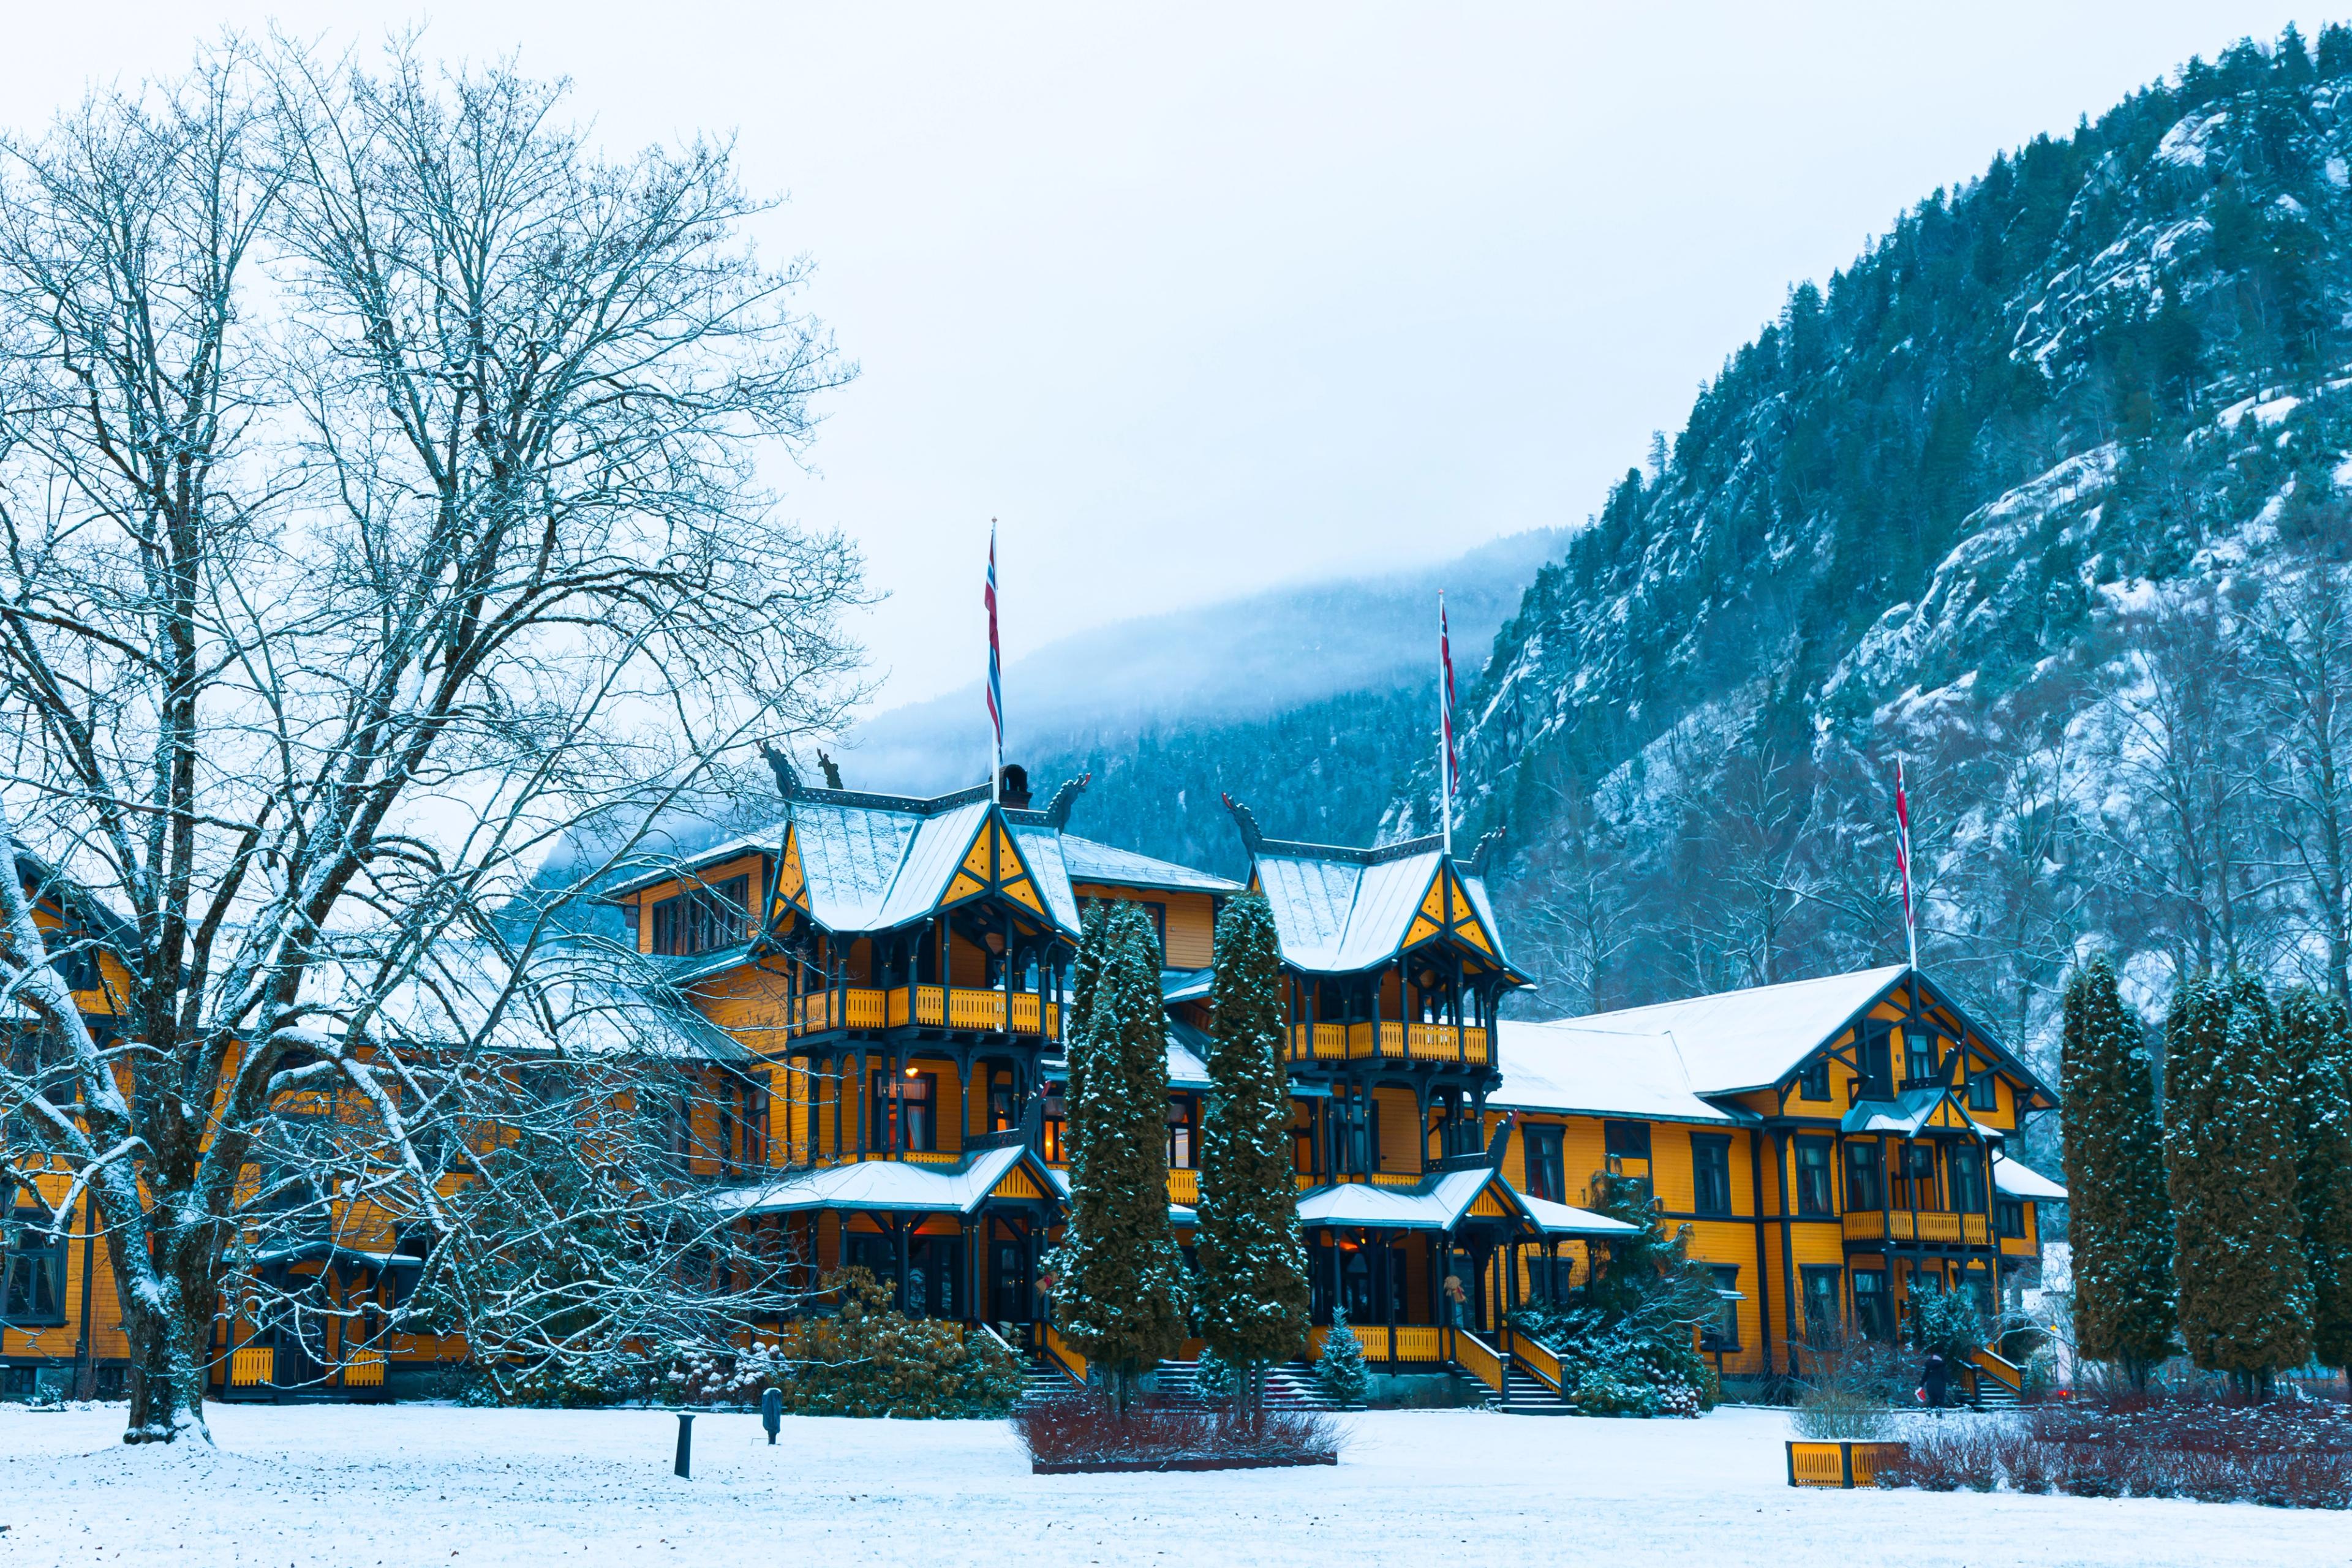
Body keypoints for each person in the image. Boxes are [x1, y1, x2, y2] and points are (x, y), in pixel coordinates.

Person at [1921, 1351, 1949, 1415]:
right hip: (1940, 1386)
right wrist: (1951, 1383)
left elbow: (1924, 1376)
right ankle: (1939, 1413)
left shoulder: (1929, 1366)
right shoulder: (1942, 1366)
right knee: (1940, 1400)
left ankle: (1929, 1411)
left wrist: (1921, 1385)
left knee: (1932, 1399)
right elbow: (1946, 1376)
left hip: (1930, 1386)